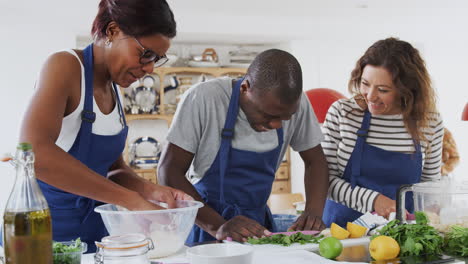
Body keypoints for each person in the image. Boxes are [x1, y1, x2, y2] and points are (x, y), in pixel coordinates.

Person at [17, 0, 191, 252]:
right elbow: (35, 154)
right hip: (45, 238)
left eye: (157, 59)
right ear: (112, 31)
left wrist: (149, 191)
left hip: (95, 238)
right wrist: (133, 201)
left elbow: (112, 169)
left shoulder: (113, 89)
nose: (150, 68)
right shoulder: (65, 67)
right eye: (146, 53)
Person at [158, 49, 329, 243]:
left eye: (285, 118)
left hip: (257, 227)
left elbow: (316, 161)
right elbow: (168, 171)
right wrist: (218, 226)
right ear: (245, 88)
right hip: (204, 224)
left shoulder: (298, 104)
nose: (276, 125)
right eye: (268, 115)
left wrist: (313, 213)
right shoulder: (205, 99)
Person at [321, 37, 444, 227]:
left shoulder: (430, 122)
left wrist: (429, 218)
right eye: (365, 83)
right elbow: (324, 181)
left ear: (407, 90)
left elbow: (430, 188)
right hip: (342, 232)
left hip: (401, 233)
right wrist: (375, 201)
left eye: (383, 90)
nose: (370, 96)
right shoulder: (343, 113)